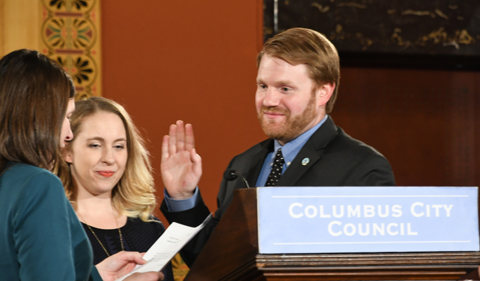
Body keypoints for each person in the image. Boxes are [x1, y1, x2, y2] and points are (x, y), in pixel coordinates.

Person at [160, 27, 395, 267]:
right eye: (263, 86)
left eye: (285, 88)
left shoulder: (362, 168)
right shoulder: (241, 166)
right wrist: (183, 197)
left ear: (323, 91)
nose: (269, 101)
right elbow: (212, 262)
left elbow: (370, 268)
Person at [0, 49, 163, 281]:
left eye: (119, 146)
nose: (68, 135)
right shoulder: (38, 185)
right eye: (66, 118)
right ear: (41, 117)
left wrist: (96, 276)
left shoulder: (8, 180)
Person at [58, 97, 174, 281]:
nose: (109, 158)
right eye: (95, 145)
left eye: (118, 146)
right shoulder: (52, 227)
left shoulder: (150, 228)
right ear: (67, 151)